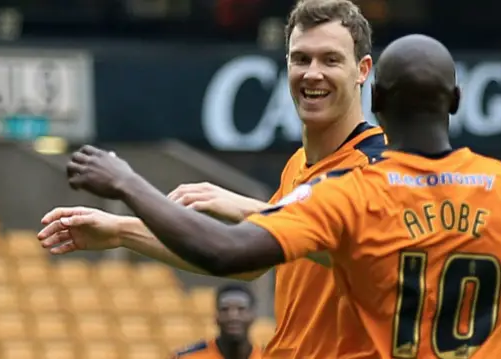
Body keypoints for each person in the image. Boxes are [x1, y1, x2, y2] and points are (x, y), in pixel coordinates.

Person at [58, 33, 501, 358]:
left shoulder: (353, 193)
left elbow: (228, 251)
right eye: (301, 58)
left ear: (373, 95)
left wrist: (126, 183)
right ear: (457, 99)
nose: (312, 73)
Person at [38, 1, 384, 358]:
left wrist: (247, 209)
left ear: (362, 70)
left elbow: (358, 257)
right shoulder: (299, 164)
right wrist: (121, 231)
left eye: (330, 60)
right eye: (301, 59)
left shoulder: (378, 166)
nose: (313, 73)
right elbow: (251, 262)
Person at [172, 284, 263, 359]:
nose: (233, 316)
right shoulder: (187, 357)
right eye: (225, 309)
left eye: (241, 309)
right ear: (215, 317)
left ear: (253, 316)